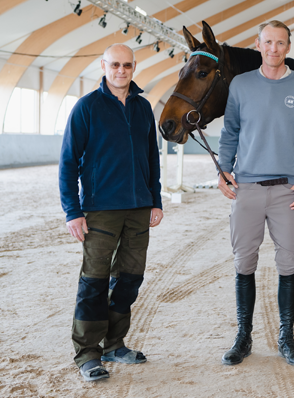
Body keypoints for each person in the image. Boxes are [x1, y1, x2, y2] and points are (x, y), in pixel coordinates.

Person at [217, 20, 294, 367]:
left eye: (280, 43)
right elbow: (230, 131)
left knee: (287, 263)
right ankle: (243, 336)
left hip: (287, 190)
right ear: (258, 45)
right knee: (244, 262)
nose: (274, 48)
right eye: (268, 42)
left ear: (288, 47)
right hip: (246, 187)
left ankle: (286, 337)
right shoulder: (241, 85)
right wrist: (223, 169)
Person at [59, 43, 163, 382]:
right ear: (103, 66)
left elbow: (152, 159)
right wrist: (72, 211)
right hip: (100, 210)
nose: (121, 70)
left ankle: (114, 344)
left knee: (130, 279)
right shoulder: (86, 107)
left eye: (127, 65)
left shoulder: (143, 107)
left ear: (134, 67)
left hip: (138, 208)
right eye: (115, 64)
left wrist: (155, 199)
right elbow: (68, 162)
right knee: (94, 280)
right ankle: (88, 353)